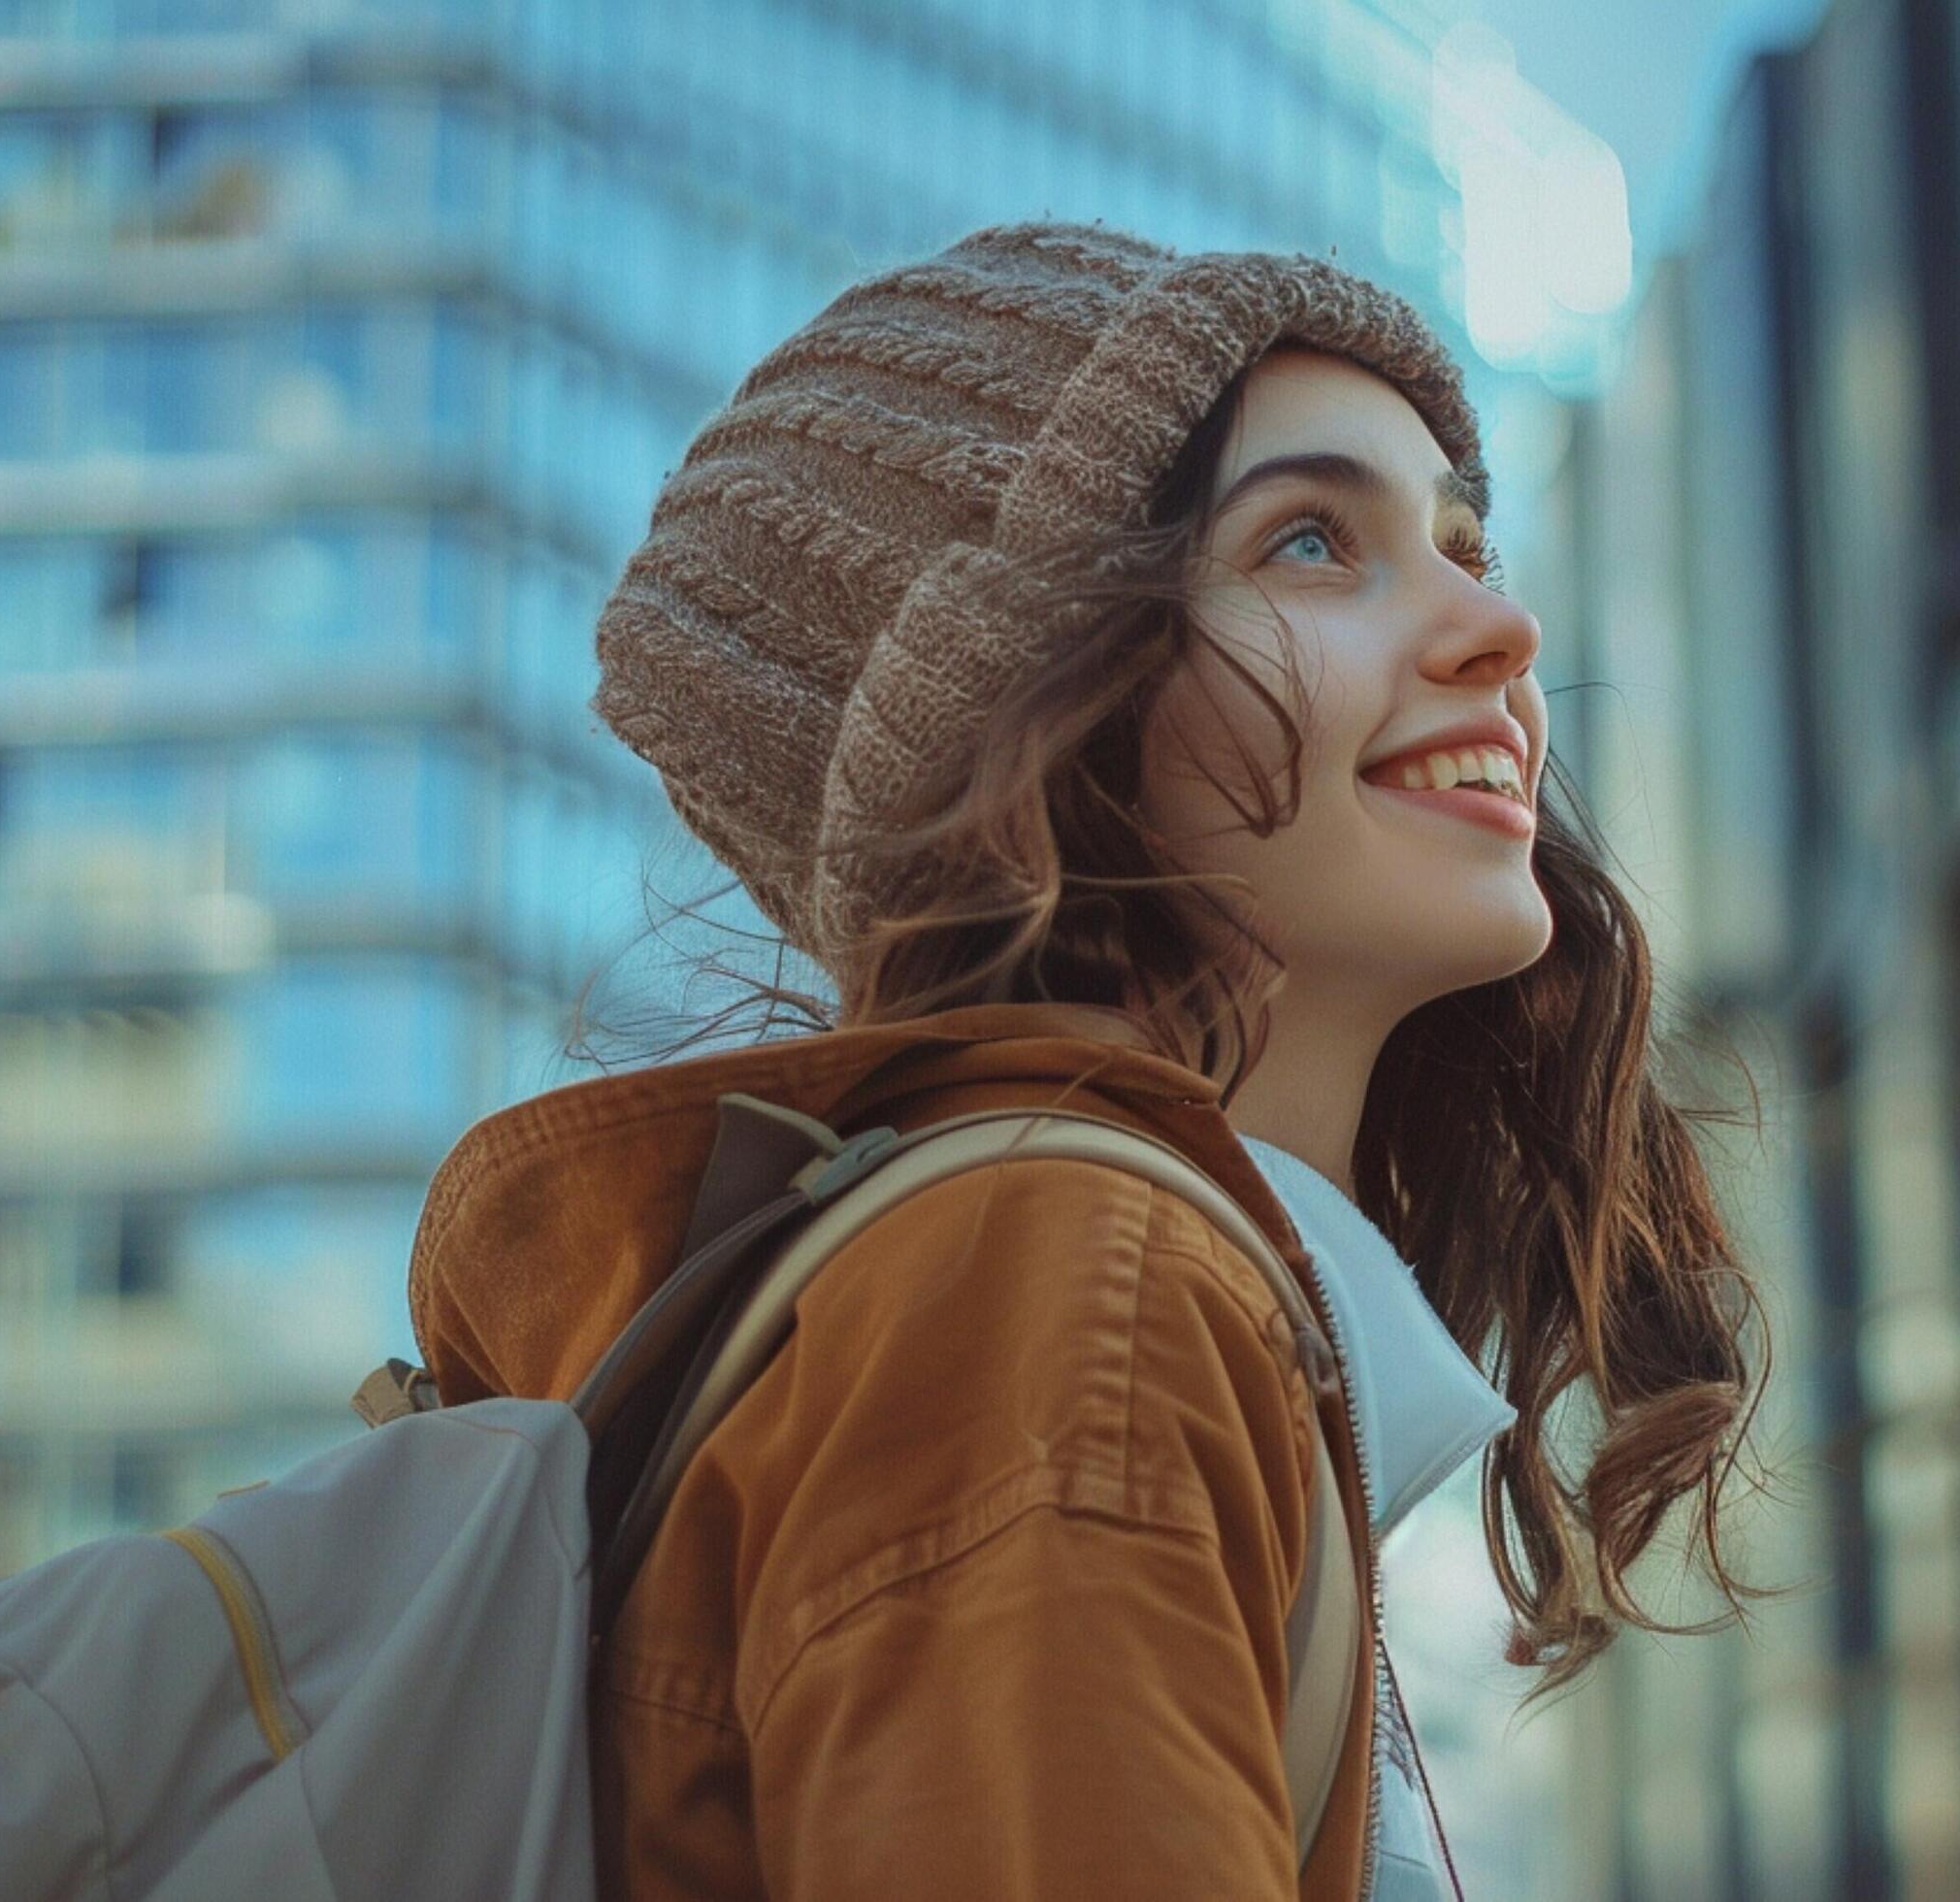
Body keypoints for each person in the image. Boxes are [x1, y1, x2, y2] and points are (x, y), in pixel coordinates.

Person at [414, 218, 1762, 1898]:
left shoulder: (1137, 1297)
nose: (1501, 630)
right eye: (1312, 544)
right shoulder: (1060, 1283)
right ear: (1031, 704)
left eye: (1459, 540)